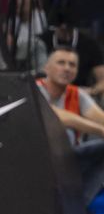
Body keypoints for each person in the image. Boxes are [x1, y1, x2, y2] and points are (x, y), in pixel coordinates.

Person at [37, 48, 104, 205]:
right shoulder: (35, 89)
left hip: (69, 159)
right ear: (46, 68)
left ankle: (80, 203)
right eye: (61, 63)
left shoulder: (77, 94)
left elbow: (99, 117)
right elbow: (54, 115)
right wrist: (100, 130)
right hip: (39, 158)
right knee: (64, 133)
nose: (67, 68)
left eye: (72, 65)